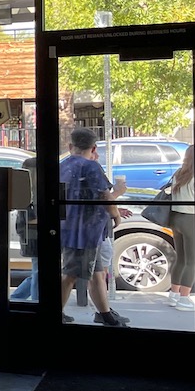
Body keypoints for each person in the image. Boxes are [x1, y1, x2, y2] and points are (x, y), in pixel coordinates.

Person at [59, 127, 130, 326]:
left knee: (98, 273)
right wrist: (115, 214)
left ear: (71, 146)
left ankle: (105, 314)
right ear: (93, 147)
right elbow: (105, 195)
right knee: (71, 273)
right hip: (86, 230)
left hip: (72, 227)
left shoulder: (62, 165)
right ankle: (56, 313)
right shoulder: (91, 166)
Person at [167, 145, 195, 310]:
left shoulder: (179, 173)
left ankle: (174, 294)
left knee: (181, 258)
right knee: (192, 261)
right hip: (190, 218)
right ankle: (185, 299)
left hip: (175, 218)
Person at [13, 156, 39, 301]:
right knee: (38, 272)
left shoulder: (26, 190)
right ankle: (37, 303)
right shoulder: (30, 193)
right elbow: (31, 219)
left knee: (37, 271)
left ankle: (16, 298)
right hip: (33, 235)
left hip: (30, 235)